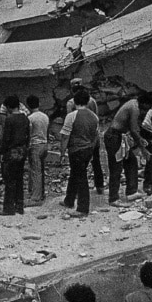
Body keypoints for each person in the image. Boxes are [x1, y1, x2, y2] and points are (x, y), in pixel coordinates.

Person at [103, 93, 152, 207]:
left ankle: (132, 191)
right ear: (145, 103)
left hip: (120, 137)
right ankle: (113, 198)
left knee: (131, 162)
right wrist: (143, 149)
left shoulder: (134, 103)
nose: (147, 110)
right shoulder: (134, 108)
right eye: (148, 107)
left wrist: (140, 140)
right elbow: (134, 130)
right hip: (114, 137)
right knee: (116, 168)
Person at [59, 88, 101, 218]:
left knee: (80, 177)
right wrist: (91, 148)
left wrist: (62, 152)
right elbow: (96, 135)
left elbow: (65, 136)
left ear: (74, 101)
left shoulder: (71, 116)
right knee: (75, 173)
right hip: (88, 149)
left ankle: (83, 208)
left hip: (76, 149)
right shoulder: (94, 117)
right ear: (88, 101)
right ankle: (69, 200)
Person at [0, 95, 29, 216]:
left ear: (9, 107)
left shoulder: (9, 120)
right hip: (22, 151)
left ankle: (9, 208)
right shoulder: (25, 118)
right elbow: (28, 135)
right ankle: (20, 206)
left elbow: (6, 138)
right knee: (19, 178)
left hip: (11, 152)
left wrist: (1, 152)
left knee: (9, 180)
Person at [24, 96, 49, 207]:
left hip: (35, 145)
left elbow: (29, 134)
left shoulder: (30, 118)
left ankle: (36, 197)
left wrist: (26, 146)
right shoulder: (45, 117)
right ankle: (41, 193)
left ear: (28, 105)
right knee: (41, 170)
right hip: (44, 143)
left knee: (35, 171)